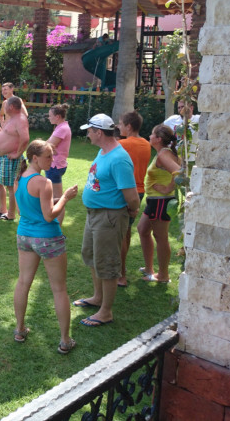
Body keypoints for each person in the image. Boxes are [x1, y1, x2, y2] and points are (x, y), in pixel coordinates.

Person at [13, 140, 79, 353]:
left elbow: (27, 209)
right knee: (59, 289)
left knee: (23, 282)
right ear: (35, 158)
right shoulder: (44, 182)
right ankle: (65, 340)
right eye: (48, 156)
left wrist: (54, 199)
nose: (52, 160)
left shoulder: (19, 179)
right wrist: (65, 198)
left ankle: (19, 329)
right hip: (48, 238)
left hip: (25, 236)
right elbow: (50, 215)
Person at [75, 114, 140, 327]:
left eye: (89, 131)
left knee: (107, 263)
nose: (88, 134)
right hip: (94, 214)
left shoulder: (119, 159)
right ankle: (98, 298)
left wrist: (132, 210)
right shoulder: (103, 151)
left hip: (109, 217)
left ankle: (105, 312)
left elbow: (132, 195)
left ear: (99, 132)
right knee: (92, 256)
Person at [138, 125, 181, 283]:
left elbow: (179, 172)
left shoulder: (164, 155)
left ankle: (163, 275)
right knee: (142, 229)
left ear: (158, 139)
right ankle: (149, 268)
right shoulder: (164, 153)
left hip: (161, 201)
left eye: (152, 134)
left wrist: (168, 188)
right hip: (155, 200)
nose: (149, 136)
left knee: (161, 237)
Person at [116, 111, 151, 287]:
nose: (118, 126)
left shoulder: (122, 145)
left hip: (126, 192)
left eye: (121, 124)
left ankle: (121, 275)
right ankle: (121, 271)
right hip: (140, 191)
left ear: (128, 127)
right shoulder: (146, 144)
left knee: (121, 233)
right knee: (127, 231)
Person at [0, 95, 30, 221]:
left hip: (10, 158)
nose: (4, 107)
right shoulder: (12, 118)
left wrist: (17, 154)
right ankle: (3, 208)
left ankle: (11, 214)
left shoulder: (20, 119)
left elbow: (25, 138)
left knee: (11, 186)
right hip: (2, 157)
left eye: (6, 105)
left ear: (11, 107)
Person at [46, 103, 72, 226]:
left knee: (58, 198)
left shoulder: (62, 129)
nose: (48, 117)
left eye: (50, 115)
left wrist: (49, 146)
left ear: (57, 116)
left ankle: (58, 227)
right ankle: (54, 224)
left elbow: (48, 145)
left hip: (55, 166)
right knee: (53, 197)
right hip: (56, 165)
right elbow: (50, 145)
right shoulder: (60, 127)